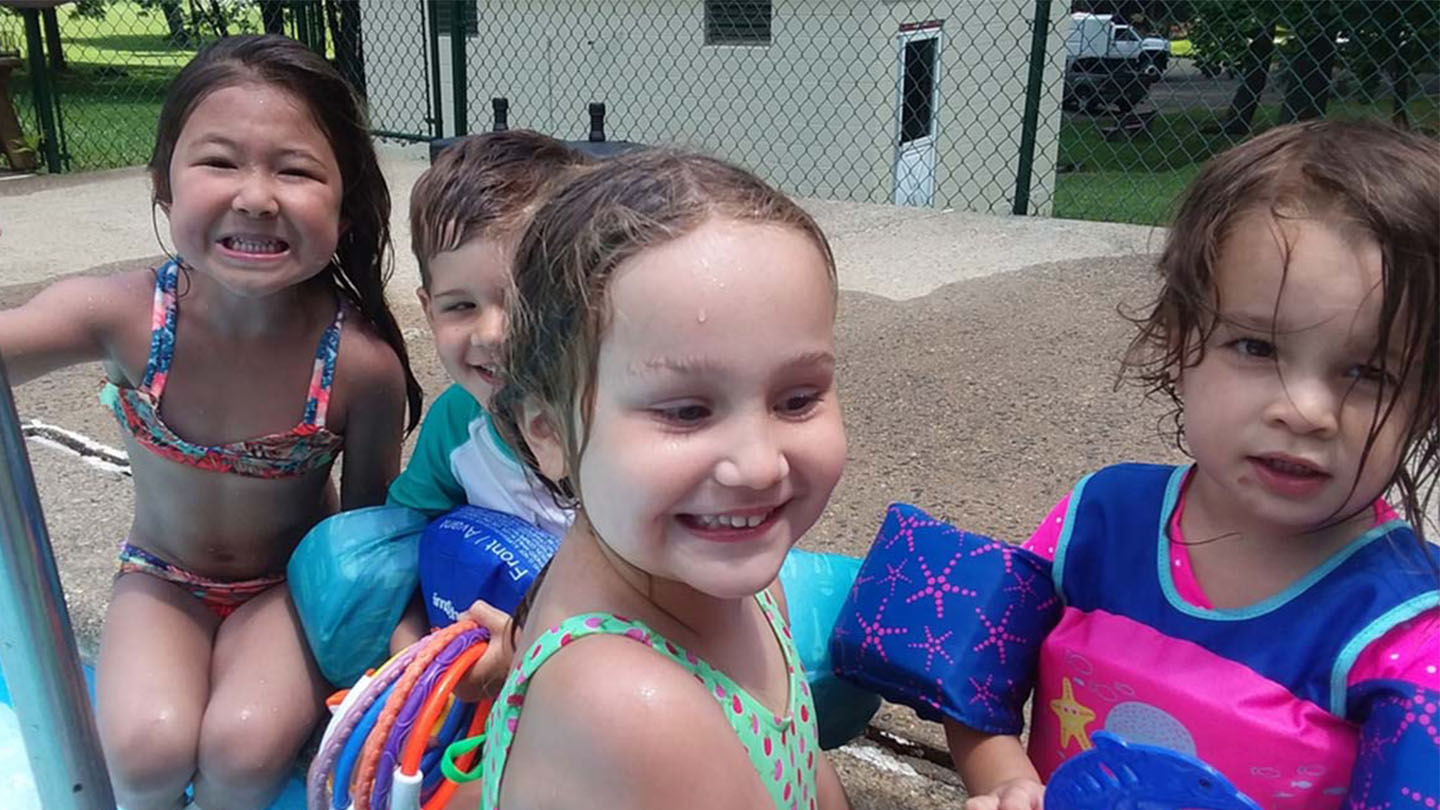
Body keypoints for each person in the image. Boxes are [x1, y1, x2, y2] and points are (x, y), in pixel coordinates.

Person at [950, 120, 1439, 809]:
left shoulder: (1408, 632)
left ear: (1427, 399)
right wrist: (1004, 782)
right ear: (1181, 345)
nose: (1305, 410)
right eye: (1256, 348)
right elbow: (972, 686)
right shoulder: (1099, 519)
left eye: (1369, 372)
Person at [0, 35, 421, 810]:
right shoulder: (121, 316)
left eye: (295, 169)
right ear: (164, 183)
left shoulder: (361, 366)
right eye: (220, 162)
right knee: (145, 749)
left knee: (244, 747)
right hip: (162, 580)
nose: (256, 196)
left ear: (346, 201)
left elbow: (367, 539)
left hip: (287, 589)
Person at [476, 149, 852, 809]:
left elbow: (808, 773)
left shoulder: (747, 593)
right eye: (686, 411)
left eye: (797, 399)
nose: (759, 463)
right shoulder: (630, 709)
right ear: (547, 431)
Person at [386, 131, 590, 681]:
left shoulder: (614, 423)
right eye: (461, 306)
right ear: (429, 312)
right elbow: (410, 540)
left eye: (525, 301)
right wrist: (413, 642)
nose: (493, 333)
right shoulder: (458, 423)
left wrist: (524, 649)